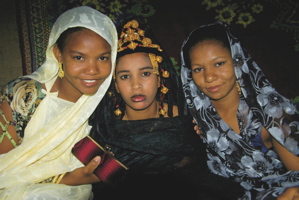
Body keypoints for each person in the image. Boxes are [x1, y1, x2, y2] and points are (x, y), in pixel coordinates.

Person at [89, 18, 245, 200]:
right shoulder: (104, 127)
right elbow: (100, 183)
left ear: (160, 77)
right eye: (125, 76)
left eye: (145, 74)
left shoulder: (188, 118)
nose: (136, 85)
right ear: (115, 84)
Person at [0, 6, 117, 199]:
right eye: (79, 57)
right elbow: (4, 166)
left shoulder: (105, 102)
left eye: (103, 58)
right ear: (58, 54)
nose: (92, 70)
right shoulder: (26, 95)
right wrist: (67, 179)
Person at [180, 20, 299, 199]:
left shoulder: (271, 112)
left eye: (219, 63)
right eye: (198, 69)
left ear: (237, 61)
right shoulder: (198, 117)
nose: (209, 76)